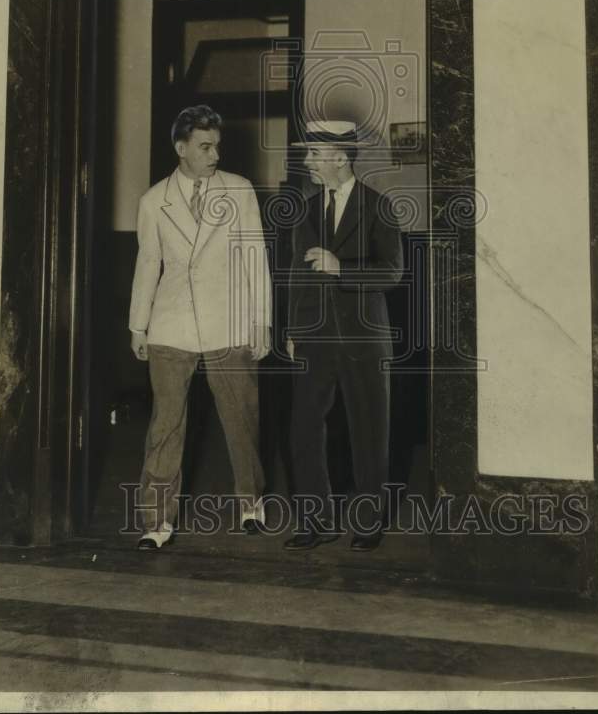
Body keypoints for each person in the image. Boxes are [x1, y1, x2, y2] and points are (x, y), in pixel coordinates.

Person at [129, 104, 271, 550]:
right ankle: (157, 521)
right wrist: (138, 326)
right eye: (205, 146)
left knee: (241, 419)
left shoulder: (240, 190)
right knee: (166, 425)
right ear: (181, 148)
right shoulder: (154, 201)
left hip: (229, 324)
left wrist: (262, 321)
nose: (214, 155)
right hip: (170, 326)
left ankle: (251, 502)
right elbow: (148, 263)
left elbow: (255, 260)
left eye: (217, 146)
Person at [284, 120, 404, 551]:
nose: (307, 161)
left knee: (368, 428)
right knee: (303, 429)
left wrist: (342, 268)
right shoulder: (306, 209)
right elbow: (298, 275)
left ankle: (369, 522)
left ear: (340, 156)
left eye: (314, 154)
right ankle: (317, 521)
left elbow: (393, 272)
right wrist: (294, 330)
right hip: (314, 337)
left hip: (364, 339)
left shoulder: (379, 206)